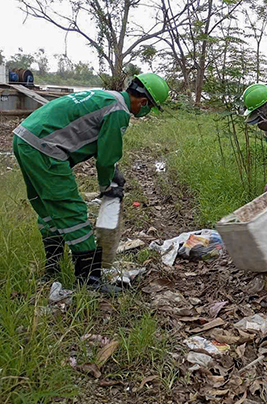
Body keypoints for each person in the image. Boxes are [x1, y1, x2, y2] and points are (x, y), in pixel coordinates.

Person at [12, 73, 169, 293]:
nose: (146, 111)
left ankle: (53, 268)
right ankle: (89, 280)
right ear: (144, 102)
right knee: (71, 210)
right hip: (45, 149)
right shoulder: (119, 111)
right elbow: (106, 159)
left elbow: (102, 145)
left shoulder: (107, 97)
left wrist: (113, 172)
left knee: (48, 208)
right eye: (149, 107)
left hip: (25, 138)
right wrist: (108, 187)